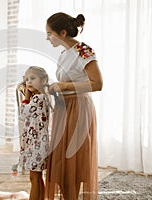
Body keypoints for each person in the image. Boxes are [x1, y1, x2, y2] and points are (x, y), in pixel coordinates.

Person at [45, 12, 103, 200]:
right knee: (61, 162)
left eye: (49, 33)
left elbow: (97, 84)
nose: (47, 38)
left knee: (73, 161)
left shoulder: (84, 51)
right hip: (64, 108)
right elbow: (71, 81)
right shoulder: (64, 54)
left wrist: (64, 86)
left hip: (78, 109)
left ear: (62, 33)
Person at [17, 66, 51, 200]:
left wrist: (26, 95)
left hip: (37, 145)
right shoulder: (42, 97)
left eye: (32, 78)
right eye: (26, 80)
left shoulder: (38, 98)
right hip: (37, 143)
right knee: (37, 177)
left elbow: (23, 113)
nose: (29, 82)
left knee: (34, 177)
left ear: (43, 80)